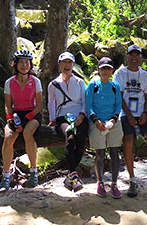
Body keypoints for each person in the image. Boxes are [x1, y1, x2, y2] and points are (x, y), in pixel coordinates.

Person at [113, 44, 147, 197]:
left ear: (141, 58)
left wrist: (145, 112)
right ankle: (132, 180)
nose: (134, 58)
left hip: (142, 112)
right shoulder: (120, 73)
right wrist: (129, 115)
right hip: (125, 113)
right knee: (128, 142)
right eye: (131, 55)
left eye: (137, 55)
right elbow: (119, 96)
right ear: (127, 56)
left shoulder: (145, 75)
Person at [0, 49, 43, 192]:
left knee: (27, 133)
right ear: (15, 64)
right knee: (8, 138)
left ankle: (33, 172)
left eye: (27, 62)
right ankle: (6, 176)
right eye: (21, 62)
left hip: (33, 114)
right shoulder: (9, 82)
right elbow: (7, 105)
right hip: (16, 114)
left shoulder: (35, 81)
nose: (24, 65)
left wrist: (28, 118)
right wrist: (11, 119)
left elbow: (39, 105)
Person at [48, 52, 89, 192]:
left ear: (73, 65)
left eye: (70, 62)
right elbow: (51, 103)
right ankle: (73, 175)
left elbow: (85, 101)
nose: (67, 65)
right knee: (70, 138)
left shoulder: (79, 82)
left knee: (81, 139)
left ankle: (71, 176)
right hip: (63, 117)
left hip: (80, 115)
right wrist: (52, 120)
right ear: (59, 65)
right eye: (64, 62)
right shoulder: (53, 84)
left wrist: (82, 115)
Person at [86, 57, 123, 199]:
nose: (106, 71)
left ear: (112, 70)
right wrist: (95, 120)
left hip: (113, 123)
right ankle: (100, 182)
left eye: (108, 68)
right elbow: (88, 105)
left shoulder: (115, 86)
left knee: (114, 154)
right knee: (100, 154)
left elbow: (118, 105)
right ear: (98, 70)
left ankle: (114, 183)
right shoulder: (93, 85)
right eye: (103, 68)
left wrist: (114, 119)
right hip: (97, 123)